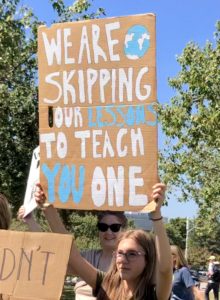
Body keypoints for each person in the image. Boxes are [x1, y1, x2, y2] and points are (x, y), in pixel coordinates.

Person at [36, 182, 173, 300]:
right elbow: (72, 253)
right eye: (119, 253)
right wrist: (47, 207)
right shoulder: (106, 284)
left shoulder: (154, 294)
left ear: (148, 259)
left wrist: (156, 215)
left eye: (131, 254)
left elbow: (165, 270)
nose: (123, 260)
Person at [20, 189, 128, 300]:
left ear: (124, 230)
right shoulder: (88, 257)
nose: (108, 232)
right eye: (103, 227)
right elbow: (50, 254)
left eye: (115, 227)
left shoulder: (129, 264)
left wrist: (47, 208)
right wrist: (30, 221)